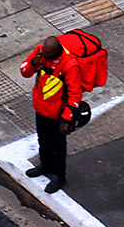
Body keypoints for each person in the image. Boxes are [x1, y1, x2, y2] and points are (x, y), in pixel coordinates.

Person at [19, 35, 83, 194]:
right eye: (43, 52)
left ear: (56, 51)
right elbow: (25, 71)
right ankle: (45, 165)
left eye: (47, 54)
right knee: (43, 139)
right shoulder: (40, 53)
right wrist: (34, 62)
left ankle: (59, 176)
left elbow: (75, 95)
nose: (44, 56)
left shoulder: (70, 65)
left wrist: (66, 119)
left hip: (57, 114)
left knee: (58, 146)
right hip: (41, 108)